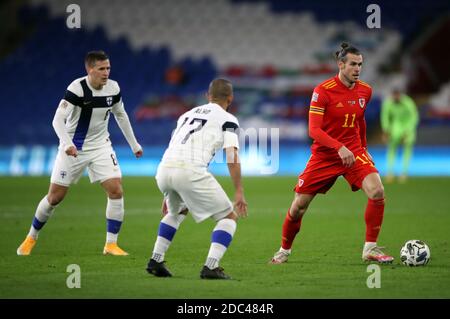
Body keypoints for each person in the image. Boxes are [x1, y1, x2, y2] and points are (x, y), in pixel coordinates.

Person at [270, 43, 394, 264]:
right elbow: (314, 130)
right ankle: (283, 250)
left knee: (377, 191)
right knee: (298, 206)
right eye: (353, 64)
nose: (358, 69)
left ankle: (370, 248)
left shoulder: (365, 90)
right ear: (341, 64)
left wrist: (363, 148)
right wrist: (339, 147)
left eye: (360, 64)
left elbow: (360, 121)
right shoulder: (323, 91)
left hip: (354, 151)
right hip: (325, 155)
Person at [17, 51, 143, 256]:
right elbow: (57, 120)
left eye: (108, 68)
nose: (106, 73)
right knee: (55, 197)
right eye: (101, 69)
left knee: (116, 190)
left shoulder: (114, 88)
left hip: (101, 146)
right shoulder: (76, 89)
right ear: (90, 70)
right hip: (74, 148)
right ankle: (31, 237)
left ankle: (111, 245)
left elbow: (121, 115)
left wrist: (134, 144)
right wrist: (67, 144)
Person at [146, 78, 247, 279]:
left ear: (207, 96)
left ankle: (156, 260)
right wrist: (239, 190)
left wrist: (168, 190)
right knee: (229, 217)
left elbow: (174, 145)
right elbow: (232, 155)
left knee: (177, 211)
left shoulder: (186, 115)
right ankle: (211, 266)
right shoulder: (228, 119)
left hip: (165, 168)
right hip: (189, 170)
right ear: (230, 98)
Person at [381, 88, 419, 183]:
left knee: (407, 151)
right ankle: (390, 173)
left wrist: (408, 130)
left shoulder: (408, 102)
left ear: (400, 95)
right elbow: (385, 117)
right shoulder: (388, 103)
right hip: (395, 128)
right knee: (391, 150)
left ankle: (404, 173)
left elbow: (414, 117)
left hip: (408, 128)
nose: (396, 97)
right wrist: (386, 130)